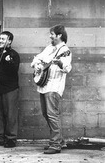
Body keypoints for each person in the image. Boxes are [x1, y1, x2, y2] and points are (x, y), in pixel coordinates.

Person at [31, 25, 72, 154]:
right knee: (46, 114)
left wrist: (60, 63)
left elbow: (67, 68)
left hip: (54, 86)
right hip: (43, 85)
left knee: (52, 115)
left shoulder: (66, 51)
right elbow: (36, 59)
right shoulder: (49, 48)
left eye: (52, 34)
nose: (50, 36)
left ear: (59, 35)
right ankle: (60, 141)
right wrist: (38, 66)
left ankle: (55, 145)